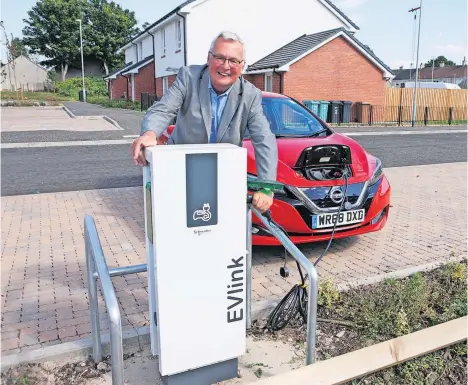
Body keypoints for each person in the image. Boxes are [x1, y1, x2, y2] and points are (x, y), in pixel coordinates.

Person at [131, 31, 278, 213]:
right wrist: (150, 133)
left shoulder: (250, 95)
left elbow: (264, 139)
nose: (225, 66)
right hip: (181, 175)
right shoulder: (188, 78)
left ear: (242, 66)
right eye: (219, 57)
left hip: (221, 179)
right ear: (208, 58)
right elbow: (163, 109)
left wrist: (266, 187)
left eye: (233, 61)